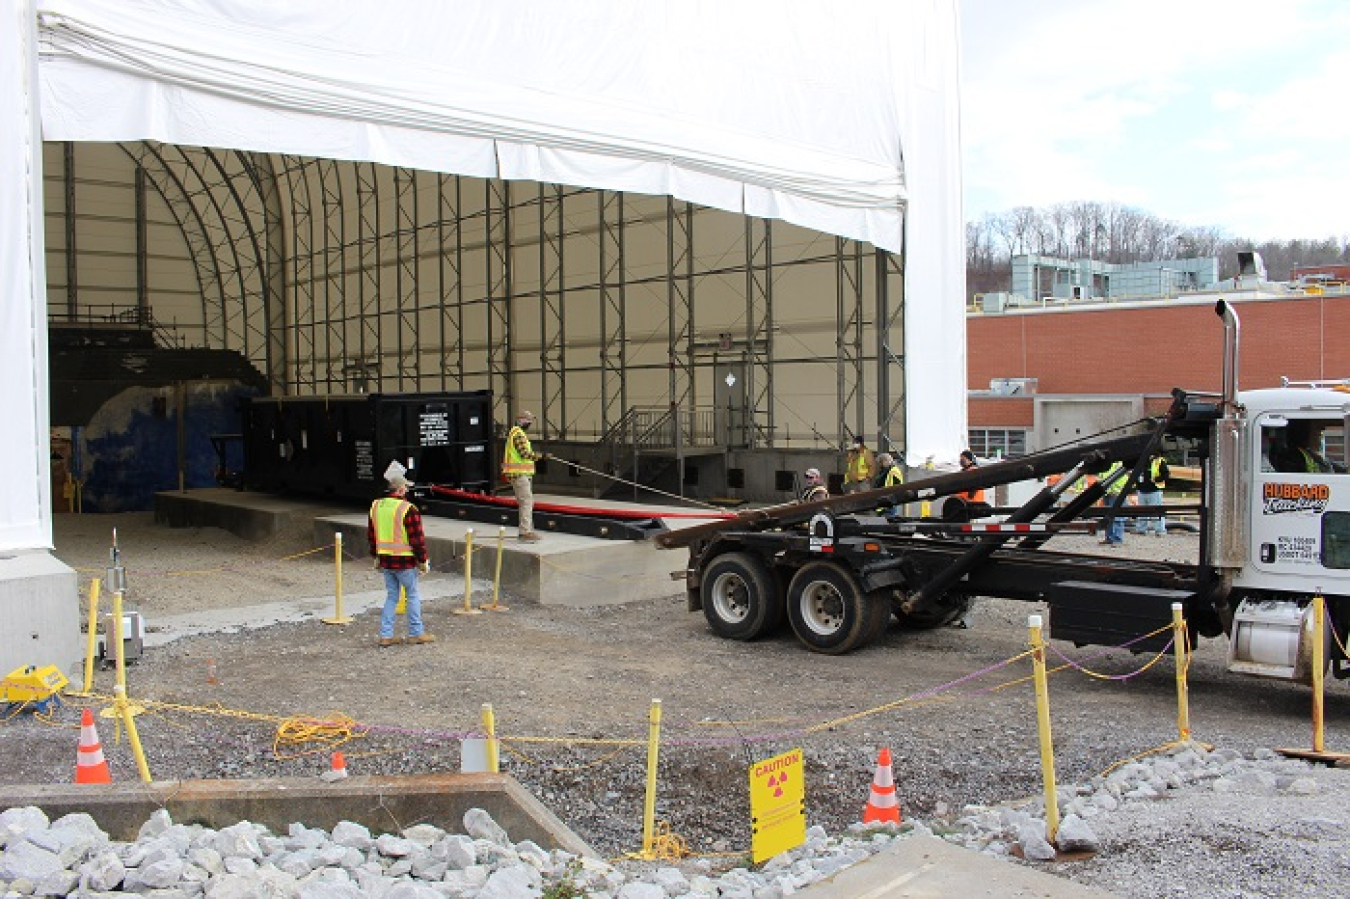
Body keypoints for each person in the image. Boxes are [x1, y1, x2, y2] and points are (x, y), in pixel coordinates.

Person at [367, 474, 433, 647]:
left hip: (386, 561)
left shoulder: (376, 506)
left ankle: (386, 635)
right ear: (401, 489)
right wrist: (423, 560)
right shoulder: (408, 509)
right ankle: (415, 633)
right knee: (412, 595)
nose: (407, 491)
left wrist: (375, 556)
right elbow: (417, 538)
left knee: (392, 596)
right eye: (406, 488)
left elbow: (372, 535)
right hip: (405, 562)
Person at [502, 410, 548, 542]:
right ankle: (525, 533)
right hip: (519, 474)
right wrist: (541, 456)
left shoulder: (516, 433)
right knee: (526, 502)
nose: (530, 423)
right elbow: (525, 454)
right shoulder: (518, 434)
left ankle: (528, 530)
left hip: (521, 474)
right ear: (521, 420)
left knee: (527, 502)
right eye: (529, 421)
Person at [1271, 419, 1345, 474]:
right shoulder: (1294, 457)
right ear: (1305, 433)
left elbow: (1332, 466)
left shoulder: (1311, 453)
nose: (1320, 436)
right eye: (1317, 431)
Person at [1134, 453, 1170, 537]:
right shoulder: (1141, 460)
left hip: (1154, 490)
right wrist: (1137, 484)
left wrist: (1156, 479)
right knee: (1141, 512)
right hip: (1142, 490)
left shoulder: (1159, 461)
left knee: (1156, 511)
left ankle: (1160, 530)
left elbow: (1166, 475)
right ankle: (1141, 529)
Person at [1099, 460, 1131, 546]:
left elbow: (1123, 480)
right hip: (1107, 493)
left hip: (1116, 494)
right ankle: (1109, 538)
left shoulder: (1119, 465)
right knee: (1108, 516)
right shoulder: (1107, 465)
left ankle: (1117, 539)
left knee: (1118, 517)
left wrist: (1115, 490)